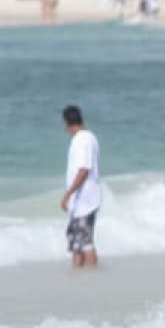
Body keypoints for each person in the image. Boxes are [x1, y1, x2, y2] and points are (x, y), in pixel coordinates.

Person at [59, 105, 101, 269]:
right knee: (77, 245)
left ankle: (93, 280)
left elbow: (84, 169)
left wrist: (67, 194)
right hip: (82, 202)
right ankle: (78, 281)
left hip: (85, 201)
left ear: (66, 122)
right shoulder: (90, 138)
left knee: (85, 244)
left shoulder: (81, 140)